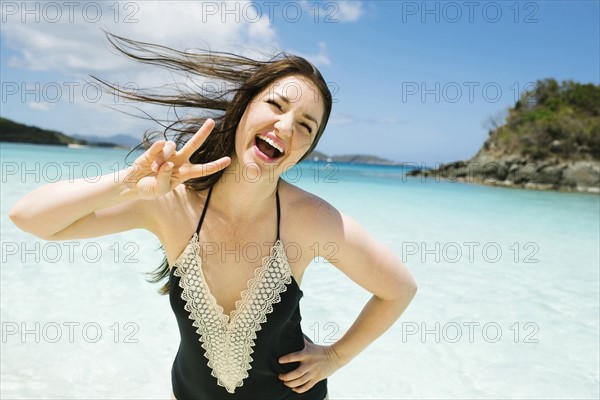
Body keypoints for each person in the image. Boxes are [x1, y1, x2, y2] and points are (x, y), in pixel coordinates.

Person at [9, 34, 418, 400]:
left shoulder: (310, 220)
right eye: (275, 105)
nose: (286, 125)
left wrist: (334, 356)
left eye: (306, 126)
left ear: (305, 150)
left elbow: (398, 289)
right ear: (243, 108)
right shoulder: (169, 202)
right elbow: (30, 218)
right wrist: (128, 184)